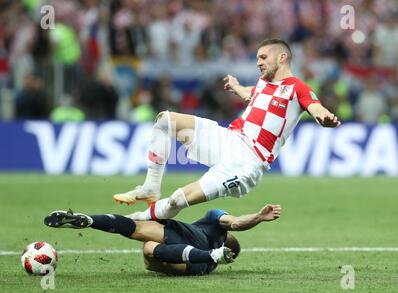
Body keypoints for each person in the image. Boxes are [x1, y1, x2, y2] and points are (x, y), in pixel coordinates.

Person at [113, 38, 341, 221]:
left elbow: (315, 106)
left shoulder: (297, 88)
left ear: (282, 57)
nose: (258, 63)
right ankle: (151, 187)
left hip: (246, 161)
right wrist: (236, 87)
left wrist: (324, 117)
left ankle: (141, 218)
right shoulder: (263, 83)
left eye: (263, 57)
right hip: (227, 139)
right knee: (165, 120)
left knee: (178, 199)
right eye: (257, 58)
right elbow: (251, 95)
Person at [43, 204, 282, 276]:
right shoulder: (211, 265)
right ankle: (209, 253)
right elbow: (238, 225)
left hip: (187, 237)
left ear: (227, 240)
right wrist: (259, 218)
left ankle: (91, 219)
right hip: (198, 261)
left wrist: (259, 217)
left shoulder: (214, 221)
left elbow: (238, 223)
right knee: (150, 253)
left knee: (136, 228)